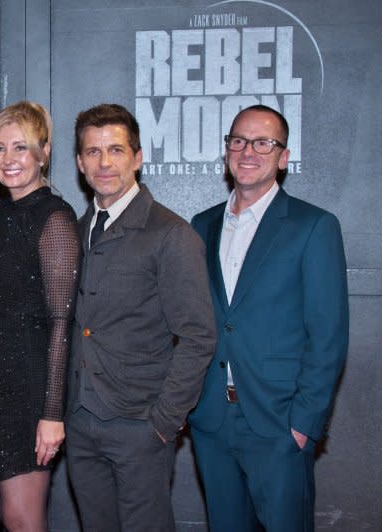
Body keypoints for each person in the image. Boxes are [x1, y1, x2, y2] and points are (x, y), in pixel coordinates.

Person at [188, 104, 349, 532]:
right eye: (238, 141)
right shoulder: (201, 226)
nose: (247, 151)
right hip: (212, 421)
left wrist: (303, 424)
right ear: (226, 151)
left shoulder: (313, 227)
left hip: (278, 424)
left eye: (263, 142)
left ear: (283, 156)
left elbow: (328, 335)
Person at [65, 103, 217, 531]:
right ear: (79, 163)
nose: (104, 162)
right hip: (80, 420)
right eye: (92, 152)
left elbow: (198, 336)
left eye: (116, 149)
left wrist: (163, 421)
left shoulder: (170, 234)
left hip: (139, 425)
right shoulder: (74, 231)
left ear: (138, 157)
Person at [0, 101, 80, 531]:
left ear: (44, 153)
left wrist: (52, 414)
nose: (9, 159)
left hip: (28, 395)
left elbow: (60, 323)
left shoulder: (53, 218)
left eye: (21, 147)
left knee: (22, 521)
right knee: (5, 514)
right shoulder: (2, 214)